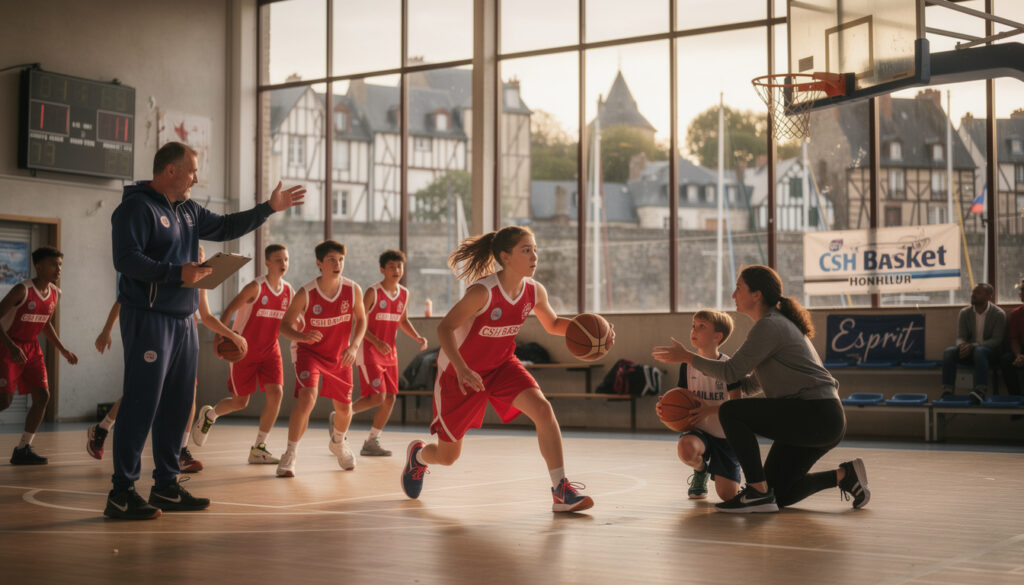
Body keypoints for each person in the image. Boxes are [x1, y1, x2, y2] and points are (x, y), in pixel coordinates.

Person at [104, 141, 304, 520]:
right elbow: (126, 259)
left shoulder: (189, 210)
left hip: (184, 320)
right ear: (170, 171)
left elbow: (227, 226)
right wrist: (176, 273)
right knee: (141, 402)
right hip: (148, 317)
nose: (197, 177)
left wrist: (268, 209)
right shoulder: (135, 208)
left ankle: (166, 485)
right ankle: (121, 491)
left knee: (179, 405)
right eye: (192, 170)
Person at [400, 225, 607, 513]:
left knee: (543, 410)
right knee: (448, 456)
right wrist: (461, 369)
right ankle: (419, 458)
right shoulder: (482, 293)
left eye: (535, 249)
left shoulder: (534, 291)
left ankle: (561, 489)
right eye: (526, 250)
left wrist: (595, 334)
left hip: (501, 366)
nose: (534, 256)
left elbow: (553, 324)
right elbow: (445, 328)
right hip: (461, 374)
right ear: (505, 257)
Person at [653, 265, 869, 513]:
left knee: (733, 412)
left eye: (738, 288)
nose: (733, 295)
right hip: (816, 417)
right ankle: (845, 475)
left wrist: (687, 357)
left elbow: (731, 371)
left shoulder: (770, 325)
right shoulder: (775, 324)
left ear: (756, 295)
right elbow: (751, 383)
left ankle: (756, 491)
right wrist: (697, 397)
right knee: (781, 494)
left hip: (816, 413)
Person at [93, 249, 246, 469]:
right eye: (196, 256)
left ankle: (180, 451)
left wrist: (231, 334)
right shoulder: (166, 274)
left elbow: (207, 317)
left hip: (185, 341)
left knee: (189, 396)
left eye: (202, 256)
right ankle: (103, 427)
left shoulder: (200, 282)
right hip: (157, 334)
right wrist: (107, 329)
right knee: (143, 391)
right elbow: (123, 299)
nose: (200, 260)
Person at [191, 243, 296, 464]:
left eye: (286, 259)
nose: (283, 263)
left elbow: (293, 320)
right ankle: (210, 415)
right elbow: (229, 309)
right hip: (243, 351)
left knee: (276, 393)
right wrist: (220, 339)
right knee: (241, 403)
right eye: (278, 259)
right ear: (267, 262)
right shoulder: (255, 288)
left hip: (270, 351)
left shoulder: (288, 291)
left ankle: (259, 447)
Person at [276, 240, 366, 477]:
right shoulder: (306, 293)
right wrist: (302, 336)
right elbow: (284, 327)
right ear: (319, 263)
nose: (338, 264)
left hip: (340, 355)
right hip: (310, 353)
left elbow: (362, 320)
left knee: (345, 409)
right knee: (307, 398)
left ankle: (338, 442)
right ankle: (290, 454)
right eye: (331, 260)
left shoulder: (352, 289)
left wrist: (354, 347)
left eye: (341, 259)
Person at [333, 249, 427, 457]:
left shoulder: (404, 293)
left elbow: (403, 320)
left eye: (399, 266)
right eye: (391, 267)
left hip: (389, 354)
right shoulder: (372, 292)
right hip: (369, 352)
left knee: (390, 398)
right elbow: (359, 322)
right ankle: (341, 414)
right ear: (382, 270)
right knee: (377, 397)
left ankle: (371, 440)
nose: (396, 270)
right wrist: (375, 341)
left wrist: (418, 337)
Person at [1, 246, 78, 465]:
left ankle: (23, 448)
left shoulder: (56, 293)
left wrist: (63, 349)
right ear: (39, 266)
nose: (58, 269)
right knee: (4, 401)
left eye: (60, 264)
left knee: (43, 396)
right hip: (8, 345)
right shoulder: (21, 290)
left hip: (32, 348)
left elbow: (45, 324)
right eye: (54, 264)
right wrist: (10, 346)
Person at [656, 310, 743, 502]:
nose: (694, 330)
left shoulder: (728, 366)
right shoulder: (687, 366)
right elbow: (680, 399)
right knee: (686, 448)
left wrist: (710, 410)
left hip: (725, 436)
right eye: (693, 325)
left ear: (717, 336)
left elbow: (737, 406)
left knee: (728, 496)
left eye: (701, 326)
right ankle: (701, 470)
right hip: (698, 432)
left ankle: (730, 469)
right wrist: (666, 407)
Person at [941, 283, 1006, 404]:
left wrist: (974, 346)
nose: (973, 295)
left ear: (988, 296)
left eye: (977, 292)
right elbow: (960, 337)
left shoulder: (998, 314)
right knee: (949, 352)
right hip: (970, 351)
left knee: (979, 351)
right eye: (973, 292)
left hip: (989, 353)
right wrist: (962, 345)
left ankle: (980, 390)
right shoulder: (965, 313)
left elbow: (997, 340)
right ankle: (947, 390)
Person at [999, 278, 1024, 396]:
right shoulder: (1016, 314)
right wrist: (1019, 356)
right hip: (1021, 349)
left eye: (1023, 290)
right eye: (1021, 290)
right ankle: (1015, 398)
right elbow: (1014, 339)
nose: (1021, 293)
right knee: (1006, 360)